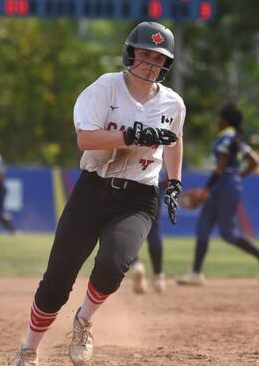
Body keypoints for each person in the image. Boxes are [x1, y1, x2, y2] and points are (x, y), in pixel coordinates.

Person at [10, 21, 186, 366]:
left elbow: (175, 140)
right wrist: (133, 136)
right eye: (145, 54)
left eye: (158, 57)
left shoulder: (172, 104)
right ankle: (28, 349)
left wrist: (175, 181)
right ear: (131, 52)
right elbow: (86, 139)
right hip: (94, 189)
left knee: (113, 265)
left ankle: (83, 321)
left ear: (167, 64)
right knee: (57, 281)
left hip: (139, 197)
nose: (150, 62)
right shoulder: (106, 88)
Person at [177, 103, 259, 286]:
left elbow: (221, 167)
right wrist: (237, 177)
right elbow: (254, 162)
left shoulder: (226, 137)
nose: (216, 121)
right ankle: (195, 273)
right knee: (204, 226)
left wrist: (207, 189)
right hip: (227, 184)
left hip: (223, 185)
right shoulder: (235, 137)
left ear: (225, 120)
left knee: (227, 233)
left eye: (219, 118)